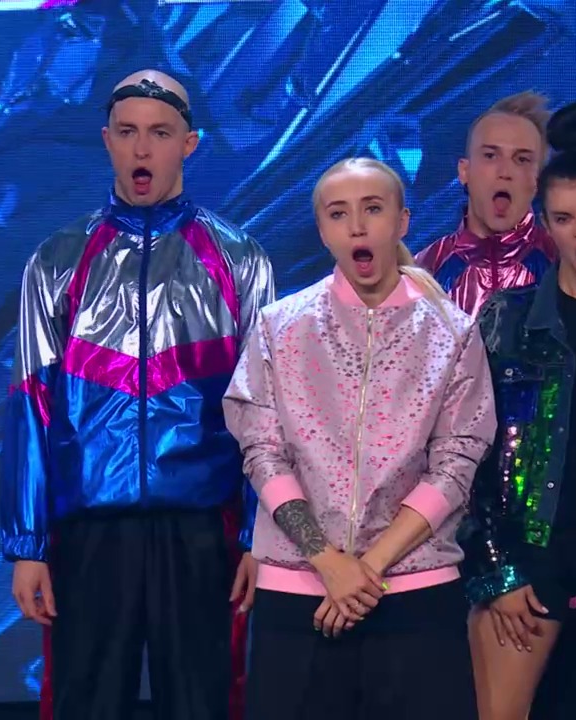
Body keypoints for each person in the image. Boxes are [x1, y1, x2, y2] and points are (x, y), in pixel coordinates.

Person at [1, 69, 273, 720]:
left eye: (159, 133)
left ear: (190, 143)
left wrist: (258, 535)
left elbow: (266, 410)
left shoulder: (240, 260)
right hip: (89, 532)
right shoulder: (57, 261)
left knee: (205, 703)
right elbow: (32, 406)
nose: (142, 148)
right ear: (107, 140)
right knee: (85, 703)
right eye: (127, 133)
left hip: (203, 529)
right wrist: (27, 546)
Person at [225, 157, 497, 720]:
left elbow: (457, 462)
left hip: (416, 595)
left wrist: (364, 569)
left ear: (402, 221)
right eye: (338, 214)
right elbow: (262, 452)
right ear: (322, 230)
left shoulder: (451, 331)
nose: (356, 226)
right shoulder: (279, 326)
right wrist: (327, 562)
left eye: (372, 209)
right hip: (298, 595)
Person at [464, 102, 576, 720]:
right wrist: (498, 571)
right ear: (546, 224)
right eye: (564, 218)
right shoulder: (505, 320)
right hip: (528, 553)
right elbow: (468, 455)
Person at [414, 90, 557, 316]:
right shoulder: (424, 272)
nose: (505, 172)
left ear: (537, 180)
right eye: (490, 155)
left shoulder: (564, 265)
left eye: (521, 160)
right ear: (465, 171)